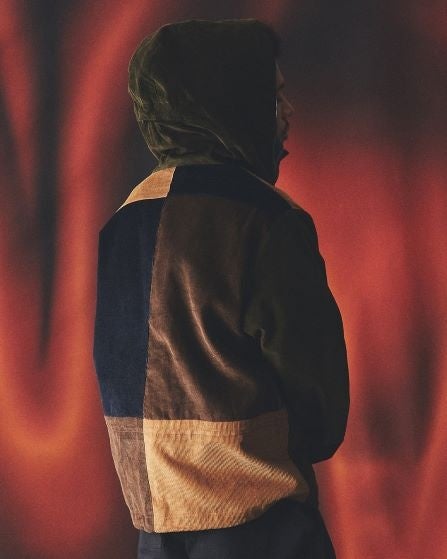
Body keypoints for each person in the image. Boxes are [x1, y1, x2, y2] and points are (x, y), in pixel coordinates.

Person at [92, 17, 350, 559]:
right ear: (231, 102)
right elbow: (320, 413)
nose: (288, 112)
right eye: (273, 97)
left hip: (155, 532)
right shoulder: (267, 220)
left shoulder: (122, 222)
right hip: (263, 529)